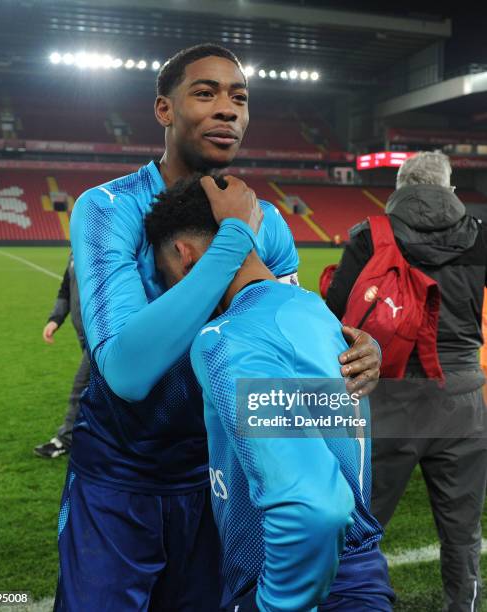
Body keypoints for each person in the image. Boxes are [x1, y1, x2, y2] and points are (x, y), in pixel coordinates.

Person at [55, 43, 382, 611]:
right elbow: (126, 371)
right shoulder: (110, 207)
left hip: (219, 477)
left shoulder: (267, 220)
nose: (227, 109)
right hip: (120, 477)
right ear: (164, 109)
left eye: (240, 98)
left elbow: (284, 323)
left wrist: (352, 345)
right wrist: (231, 241)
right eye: (205, 93)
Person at [144, 174, 395, 611]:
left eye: (167, 276)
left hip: (302, 583)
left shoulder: (225, 337)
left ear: (185, 257)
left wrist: (277, 604)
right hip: (361, 577)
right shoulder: (317, 313)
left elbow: (315, 507)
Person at [326, 151, 487, 612]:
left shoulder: (368, 236)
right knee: (462, 532)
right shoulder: (478, 237)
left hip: (387, 398)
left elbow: (336, 317)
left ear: (400, 188)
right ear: (449, 187)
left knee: (361, 526)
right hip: (461, 401)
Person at [34, 253, 90, 459]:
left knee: (81, 385)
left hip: (101, 335)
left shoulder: (103, 242)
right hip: (83, 333)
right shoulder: (75, 250)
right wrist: (55, 319)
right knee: (101, 389)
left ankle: (65, 440)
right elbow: (66, 289)